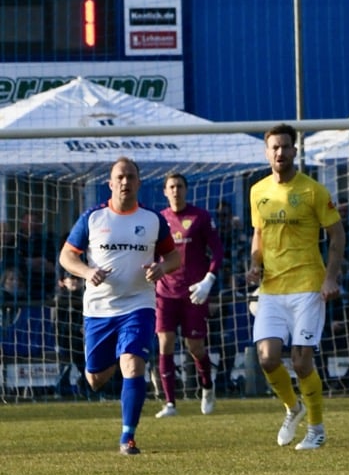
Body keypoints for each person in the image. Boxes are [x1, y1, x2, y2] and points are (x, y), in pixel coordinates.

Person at [58, 157, 180, 455]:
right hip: (99, 310)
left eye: (130, 177)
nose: (125, 182)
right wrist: (87, 272)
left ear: (139, 182)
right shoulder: (93, 218)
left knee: (132, 363)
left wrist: (161, 269)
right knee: (96, 379)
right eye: (120, 177)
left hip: (139, 305)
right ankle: (114, 356)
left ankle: (128, 437)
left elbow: (175, 257)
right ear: (110, 184)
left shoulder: (153, 220)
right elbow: (66, 257)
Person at [245, 123, 346, 450]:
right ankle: (293, 406)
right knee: (267, 359)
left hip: (307, 286)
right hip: (272, 289)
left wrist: (330, 277)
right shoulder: (257, 191)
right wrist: (254, 265)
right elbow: (258, 235)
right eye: (274, 147)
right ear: (267, 152)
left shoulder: (314, 191)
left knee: (302, 362)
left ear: (295, 151)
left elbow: (337, 235)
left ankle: (316, 428)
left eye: (285, 147)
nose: (280, 152)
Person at [152, 172, 224, 417]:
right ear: (165, 191)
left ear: (186, 189)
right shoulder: (159, 220)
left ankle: (207, 387)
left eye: (179, 186)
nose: (175, 190)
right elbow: (151, 256)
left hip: (194, 292)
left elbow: (217, 252)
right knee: (165, 343)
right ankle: (170, 403)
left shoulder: (200, 217)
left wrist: (209, 280)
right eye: (171, 186)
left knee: (195, 346)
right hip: (165, 292)